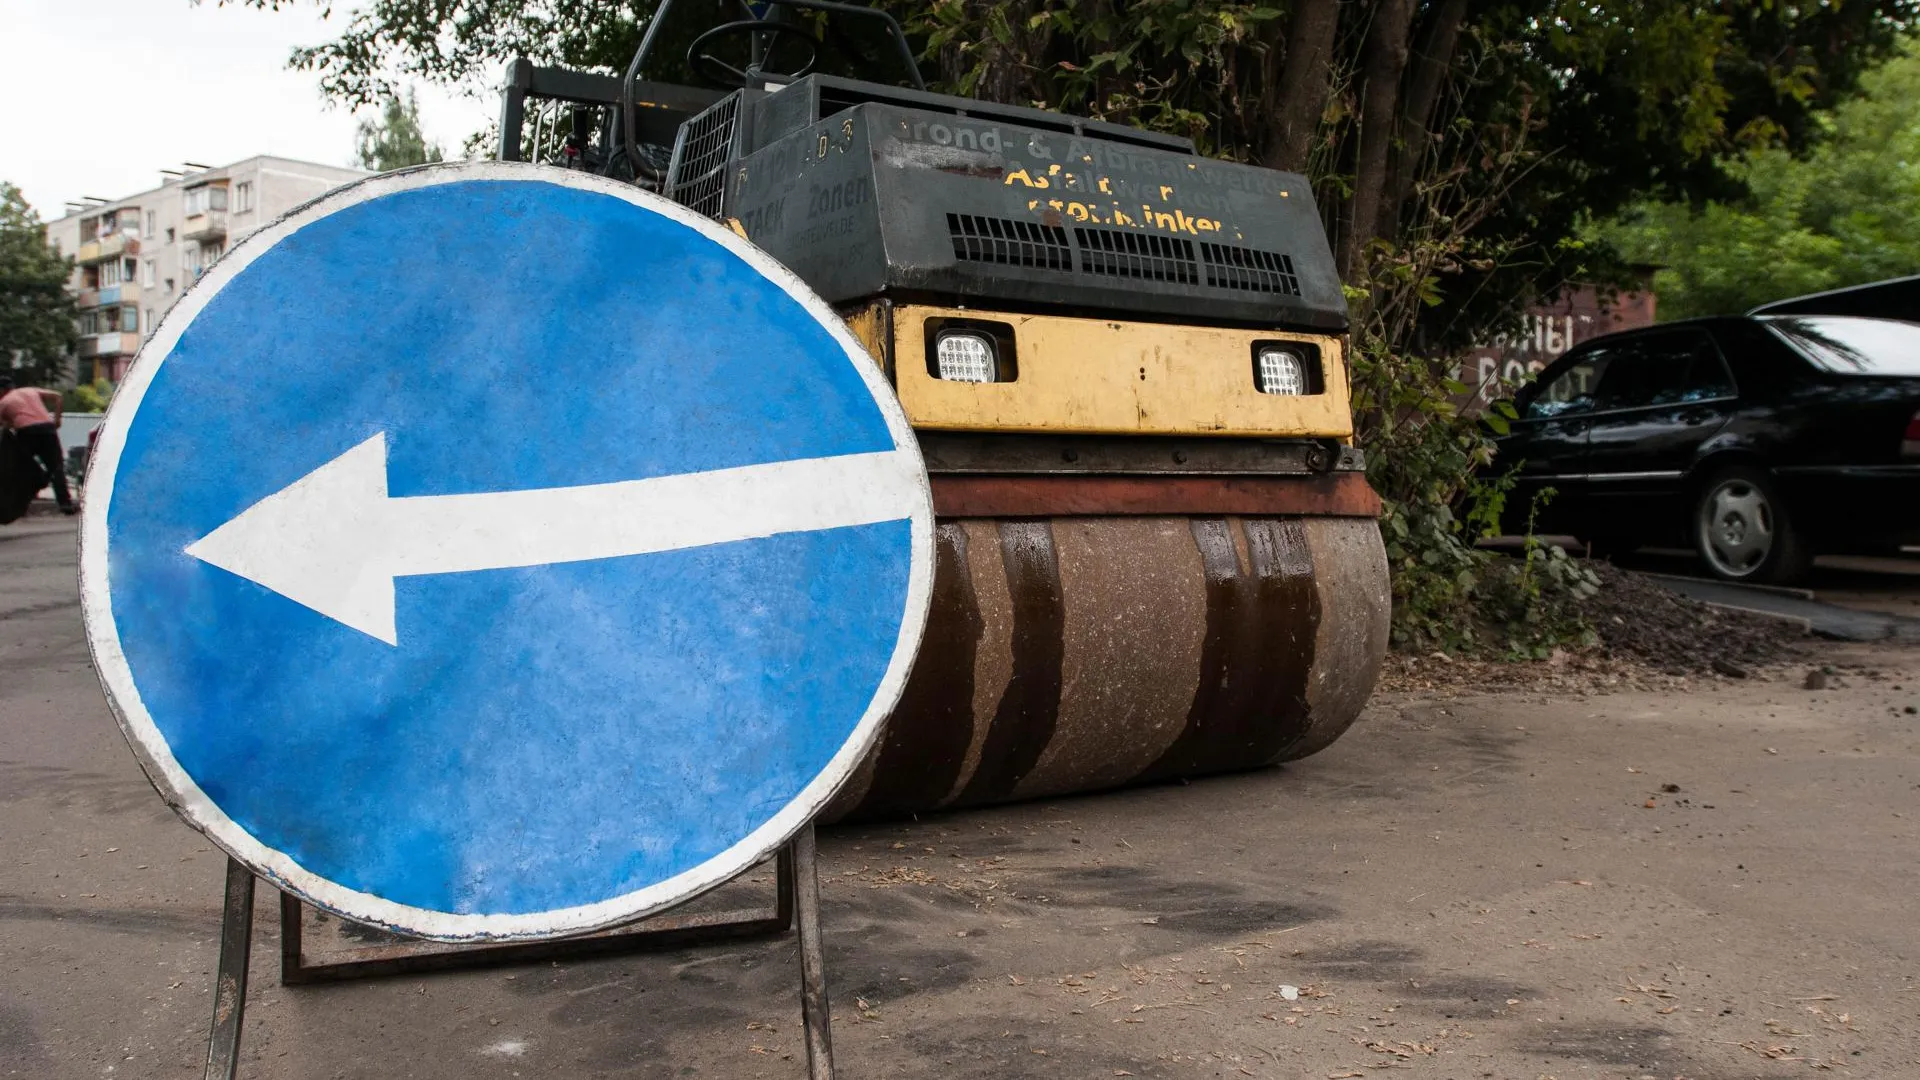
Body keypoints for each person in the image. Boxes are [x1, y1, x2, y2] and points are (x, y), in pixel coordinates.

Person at [0, 375, 77, 515]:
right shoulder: (30, 390)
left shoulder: (3, 402)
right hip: (48, 429)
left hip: (26, 432)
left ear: (2, 390)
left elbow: (4, 426)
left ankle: (23, 502)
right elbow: (58, 396)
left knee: (21, 468)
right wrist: (57, 419)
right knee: (56, 467)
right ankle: (65, 504)